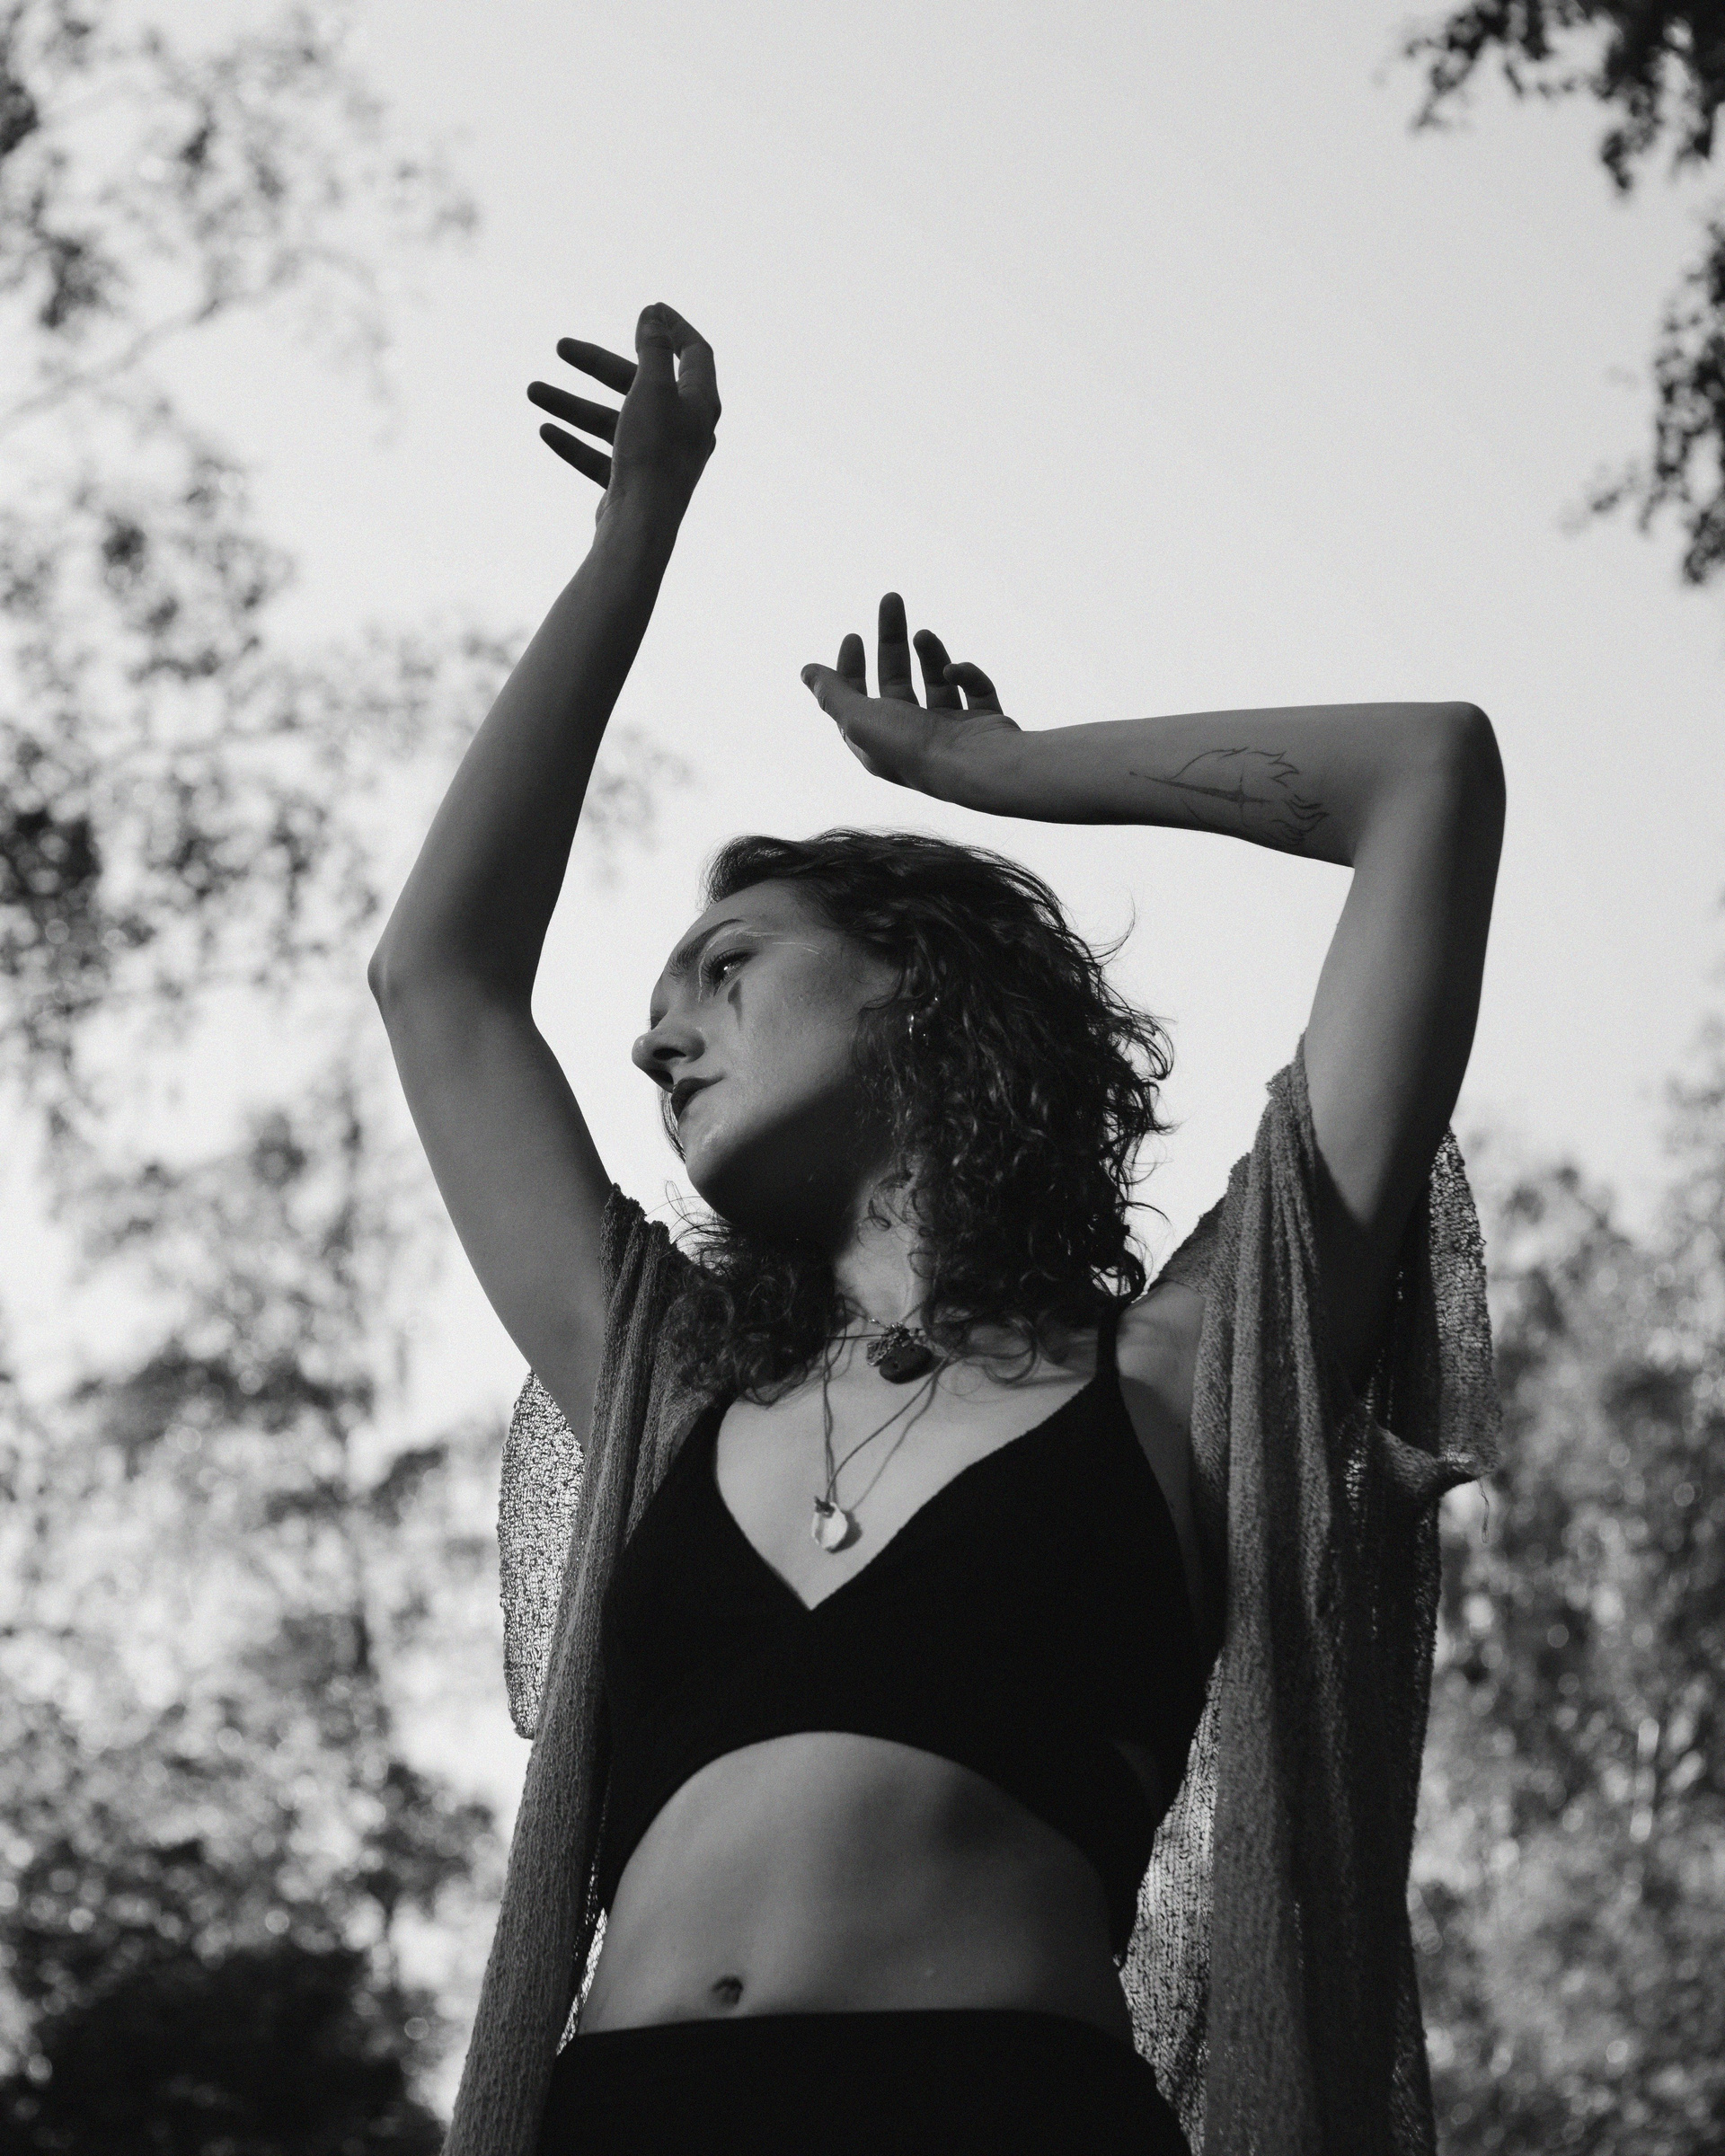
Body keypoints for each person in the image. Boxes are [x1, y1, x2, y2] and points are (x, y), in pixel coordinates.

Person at [368, 305, 1506, 2155]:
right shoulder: (667, 1383)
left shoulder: (1186, 1368)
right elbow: (438, 979)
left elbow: (1427, 778)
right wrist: (633, 534)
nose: (657, 1040)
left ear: (917, 983)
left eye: (727, 966)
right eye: (658, 1011)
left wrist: (1001, 775)